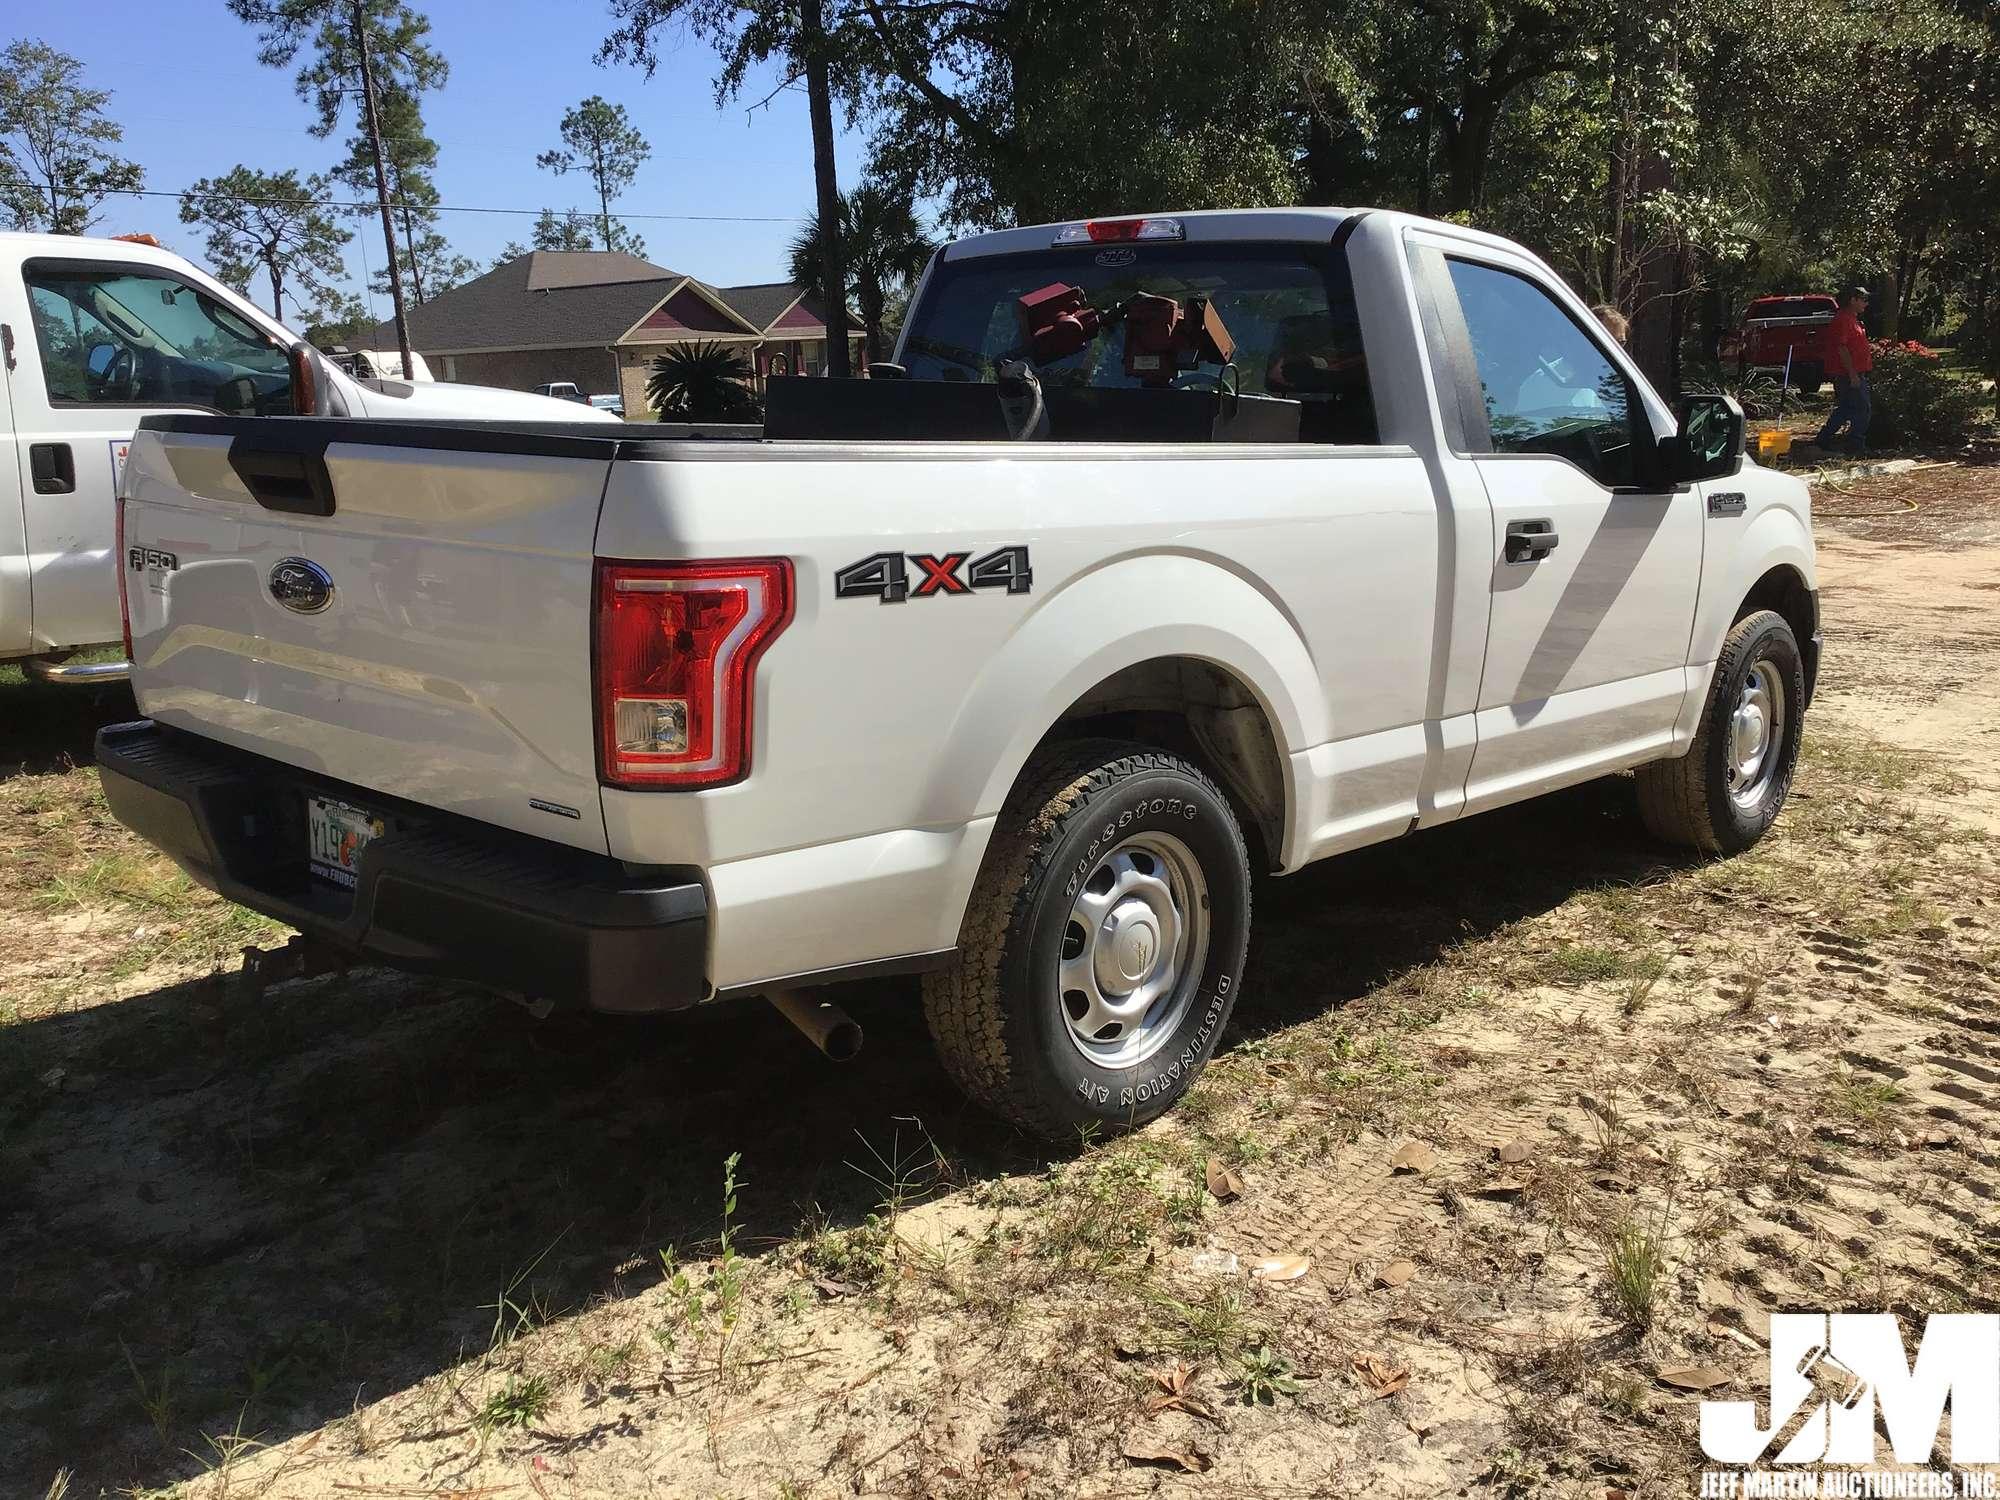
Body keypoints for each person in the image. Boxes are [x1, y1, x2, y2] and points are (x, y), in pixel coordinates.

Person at [1814, 286, 1873, 454]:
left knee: (1846, 409)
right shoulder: (1843, 319)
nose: (1866, 304)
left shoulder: (1853, 319)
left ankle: (1823, 440)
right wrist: (1852, 373)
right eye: (1863, 300)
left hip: (1855, 373)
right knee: (1863, 409)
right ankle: (1856, 445)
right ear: (1852, 300)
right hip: (1848, 375)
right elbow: (1842, 348)